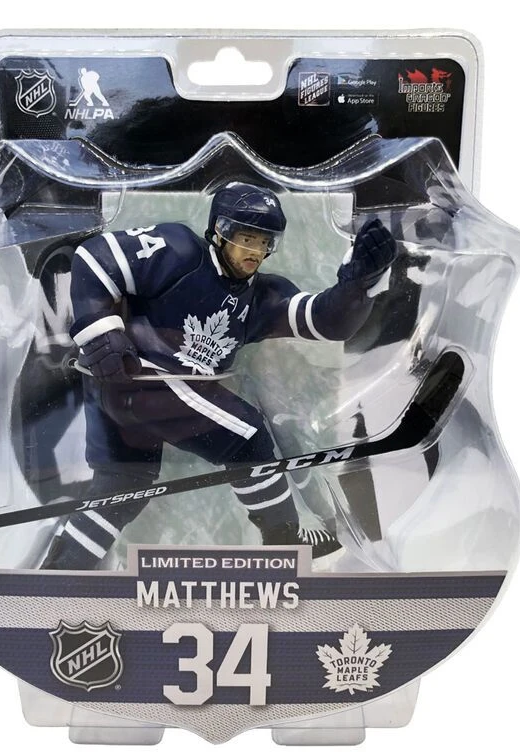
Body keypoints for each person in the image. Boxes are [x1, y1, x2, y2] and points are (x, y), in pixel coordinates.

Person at [40, 182, 397, 570]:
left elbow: (326, 322)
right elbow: (94, 258)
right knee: (249, 437)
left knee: (122, 484)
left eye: (264, 242)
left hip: (133, 393)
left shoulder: (261, 298)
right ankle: (284, 539)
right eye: (247, 238)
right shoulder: (178, 250)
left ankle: (62, 569)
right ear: (219, 231)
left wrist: (357, 287)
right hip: (141, 378)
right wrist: (99, 330)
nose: (255, 251)